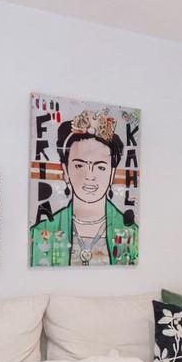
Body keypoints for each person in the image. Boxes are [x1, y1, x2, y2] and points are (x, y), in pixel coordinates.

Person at [30, 111, 139, 266]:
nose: (90, 175)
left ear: (112, 173)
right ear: (66, 171)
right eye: (79, 165)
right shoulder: (43, 231)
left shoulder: (130, 232)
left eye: (100, 167)